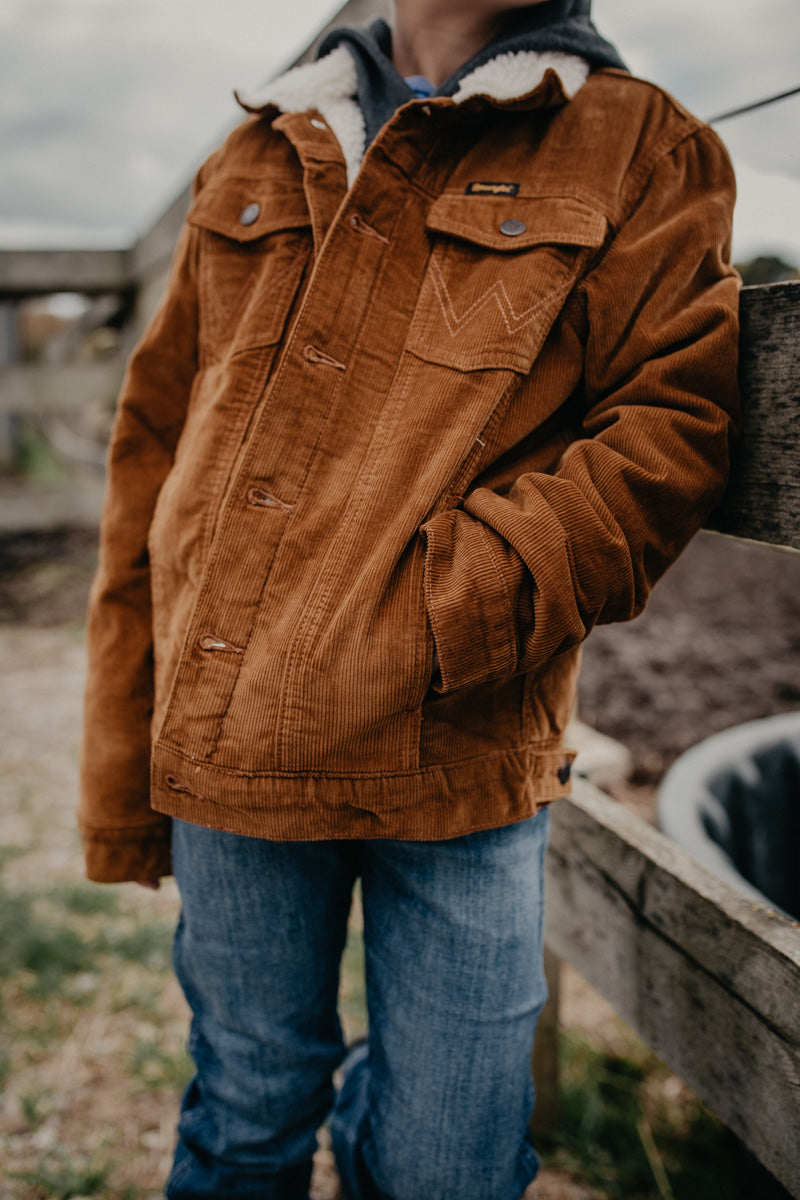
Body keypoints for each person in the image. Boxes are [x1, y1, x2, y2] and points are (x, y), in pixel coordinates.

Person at [79, 0, 740, 1195]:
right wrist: (126, 749)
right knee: (245, 1107)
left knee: (448, 1163)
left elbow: (667, 432)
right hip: (230, 731)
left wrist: (446, 618)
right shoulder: (261, 143)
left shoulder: (641, 146)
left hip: (459, 742)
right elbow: (156, 446)